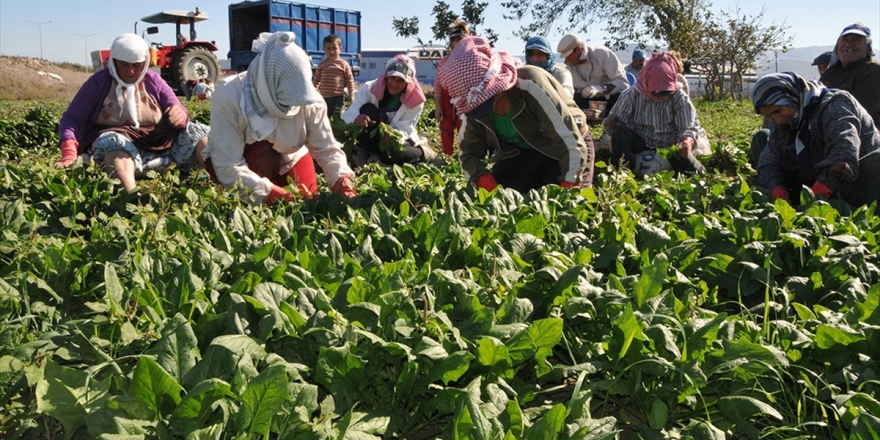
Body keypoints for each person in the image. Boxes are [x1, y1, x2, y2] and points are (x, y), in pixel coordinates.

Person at [197, 32, 356, 205]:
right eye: (286, 100)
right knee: (254, 193)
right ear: (269, 85)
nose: (292, 106)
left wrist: (342, 180)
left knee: (308, 201)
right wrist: (272, 195)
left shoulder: (310, 100)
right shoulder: (231, 95)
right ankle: (203, 147)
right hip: (243, 159)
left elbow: (327, 148)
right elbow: (228, 165)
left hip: (289, 155)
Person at [436, 36, 594, 193]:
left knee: (567, 203)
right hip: (522, 152)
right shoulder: (473, 106)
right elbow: (468, 154)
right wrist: (483, 181)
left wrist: (569, 185)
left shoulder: (531, 84)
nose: (486, 106)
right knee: (506, 194)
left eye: (490, 97)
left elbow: (570, 142)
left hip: (567, 147)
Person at [56, 33, 209, 193]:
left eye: (136, 66)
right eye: (123, 65)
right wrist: (69, 151)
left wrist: (179, 115)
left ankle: (224, 180)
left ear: (145, 64)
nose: (130, 71)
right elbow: (72, 119)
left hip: (158, 144)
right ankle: (131, 196)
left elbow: (176, 106)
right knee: (112, 143)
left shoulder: (153, 80)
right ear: (114, 62)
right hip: (118, 151)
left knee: (196, 133)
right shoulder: (98, 83)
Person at [752, 72, 880, 212]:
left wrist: (812, 201)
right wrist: (779, 194)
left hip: (854, 177)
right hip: (814, 171)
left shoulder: (835, 105)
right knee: (763, 138)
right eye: (770, 115)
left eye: (777, 111)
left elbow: (843, 155)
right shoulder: (786, 119)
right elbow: (769, 161)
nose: (776, 120)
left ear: (791, 97)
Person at [603, 52, 706, 176]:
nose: (661, 96)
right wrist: (611, 123)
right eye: (656, 92)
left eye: (666, 92)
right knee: (620, 132)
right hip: (641, 141)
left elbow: (688, 127)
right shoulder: (632, 94)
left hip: (670, 144)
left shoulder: (679, 97)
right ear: (647, 83)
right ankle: (624, 171)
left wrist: (687, 143)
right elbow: (613, 125)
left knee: (697, 173)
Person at [342, 54, 443, 166]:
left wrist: (394, 134)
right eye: (392, 78)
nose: (394, 84)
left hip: (390, 140)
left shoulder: (415, 101)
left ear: (407, 83)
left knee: (391, 156)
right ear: (386, 77)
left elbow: (406, 128)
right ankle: (361, 151)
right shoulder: (370, 89)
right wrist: (357, 117)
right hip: (368, 137)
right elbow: (350, 113)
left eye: (400, 80)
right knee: (368, 109)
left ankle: (423, 152)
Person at [556, 33, 629, 117]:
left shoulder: (602, 54)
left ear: (579, 49)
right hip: (588, 104)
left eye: (568, 55)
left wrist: (601, 88)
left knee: (620, 96)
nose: (567, 59)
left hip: (610, 101)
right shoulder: (569, 68)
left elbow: (623, 83)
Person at [820, 23, 880, 125]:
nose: (848, 44)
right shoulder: (832, 71)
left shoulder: (873, 71)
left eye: (857, 40)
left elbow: (857, 111)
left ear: (868, 48)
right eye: (844, 40)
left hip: (860, 134)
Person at [434, 19, 470, 155]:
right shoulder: (445, 62)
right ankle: (446, 154)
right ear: (450, 48)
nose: (456, 51)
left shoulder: (471, 63)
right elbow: (438, 86)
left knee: (465, 128)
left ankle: (465, 156)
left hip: (465, 99)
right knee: (446, 127)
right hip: (446, 99)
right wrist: (438, 107)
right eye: (453, 48)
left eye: (459, 47)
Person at [313, 34, 355, 119]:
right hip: (324, 97)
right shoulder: (322, 63)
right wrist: (312, 91)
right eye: (328, 48)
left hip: (338, 97)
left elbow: (350, 80)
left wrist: (351, 95)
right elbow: (316, 79)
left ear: (340, 49)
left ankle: (338, 132)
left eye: (334, 48)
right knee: (324, 118)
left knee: (338, 118)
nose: (331, 51)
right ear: (324, 50)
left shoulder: (343, 64)